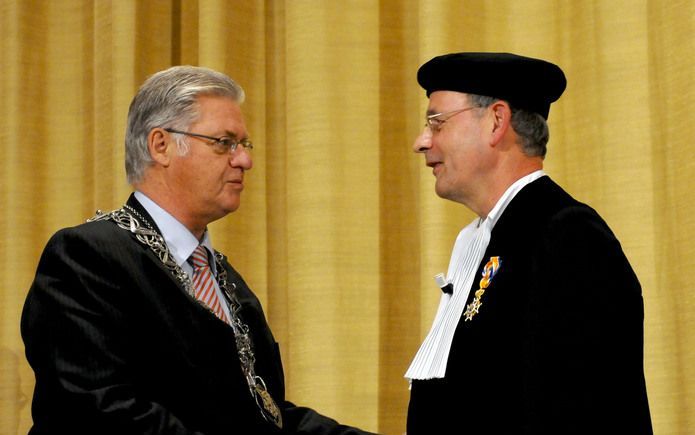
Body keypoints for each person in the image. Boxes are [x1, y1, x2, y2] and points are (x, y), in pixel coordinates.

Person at [21, 66, 376, 435]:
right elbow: (100, 409)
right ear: (161, 145)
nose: (244, 161)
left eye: (244, 145)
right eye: (224, 143)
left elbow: (266, 415)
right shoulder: (88, 255)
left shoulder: (224, 278)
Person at [404, 52, 652, 434]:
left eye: (437, 123)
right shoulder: (491, 238)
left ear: (496, 121)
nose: (422, 142)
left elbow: (579, 415)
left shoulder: (567, 237)